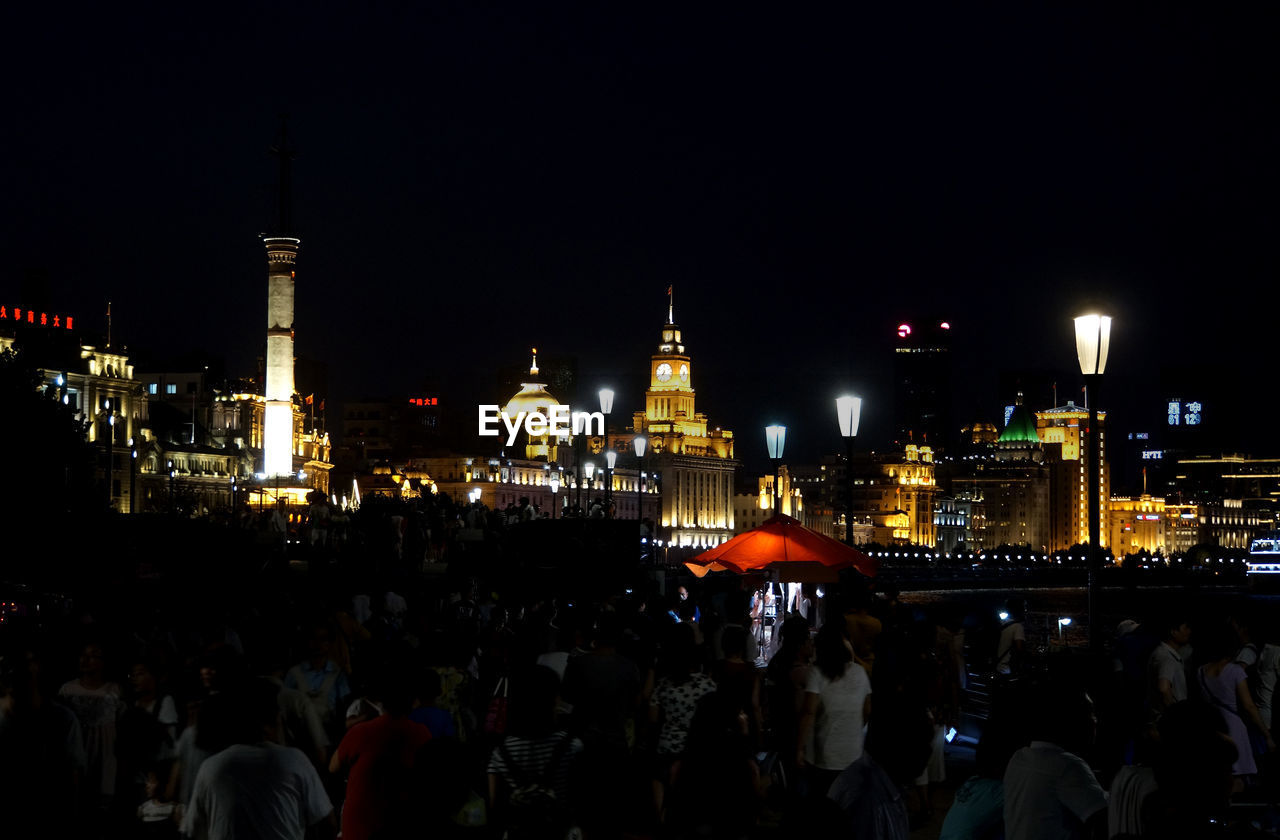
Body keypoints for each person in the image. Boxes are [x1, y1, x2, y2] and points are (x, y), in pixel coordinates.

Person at [181, 679, 334, 840]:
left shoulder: (210, 767)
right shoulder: (294, 760)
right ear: (270, 722)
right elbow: (327, 824)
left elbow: (192, 832)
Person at [329, 673, 432, 840]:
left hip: (359, 828)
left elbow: (333, 767)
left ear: (381, 702)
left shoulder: (361, 731)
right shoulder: (421, 733)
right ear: (414, 702)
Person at [487, 665, 583, 840]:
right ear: (552, 700)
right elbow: (579, 798)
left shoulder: (501, 752)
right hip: (558, 831)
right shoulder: (572, 746)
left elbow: (494, 806)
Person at [1002, 683, 1107, 840]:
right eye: (1089, 713)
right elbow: (1103, 820)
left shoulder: (1019, 758)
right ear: (1070, 719)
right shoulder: (1067, 766)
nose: (1095, 720)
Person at [827, 701, 934, 840]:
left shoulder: (882, 783)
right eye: (920, 745)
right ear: (897, 746)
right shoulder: (869, 803)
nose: (927, 755)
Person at [649, 622, 717, 822]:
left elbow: (652, 721)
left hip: (666, 749)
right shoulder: (708, 686)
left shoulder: (663, 685)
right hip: (697, 752)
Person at [797, 622, 872, 798]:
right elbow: (867, 710)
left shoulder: (817, 673)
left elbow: (809, 712)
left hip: (824, 756)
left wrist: (799, 748)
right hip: (853, 754)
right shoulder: (860, 673)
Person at [1195, 622, 1275, 785]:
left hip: (1212, 725)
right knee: (1237, 776)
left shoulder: (1200, 671)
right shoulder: (1236, 672)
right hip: (1234, 727)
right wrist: (1267, 736)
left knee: (1217, 775)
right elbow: (1249, 706)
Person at [1146, 613, 1192, 722]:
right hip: (1168, 720)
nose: (1189, 632)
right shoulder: (1166, 657)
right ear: (1173, 632)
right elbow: (1163, 688)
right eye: (1185, 628)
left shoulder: (1160, 652)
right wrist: (1176, 715)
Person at [995, 602, 1025, 676]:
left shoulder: (1000, 624)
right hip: (1007, 669)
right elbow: (1019, 648)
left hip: (996, 666)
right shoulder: (1017, 627)